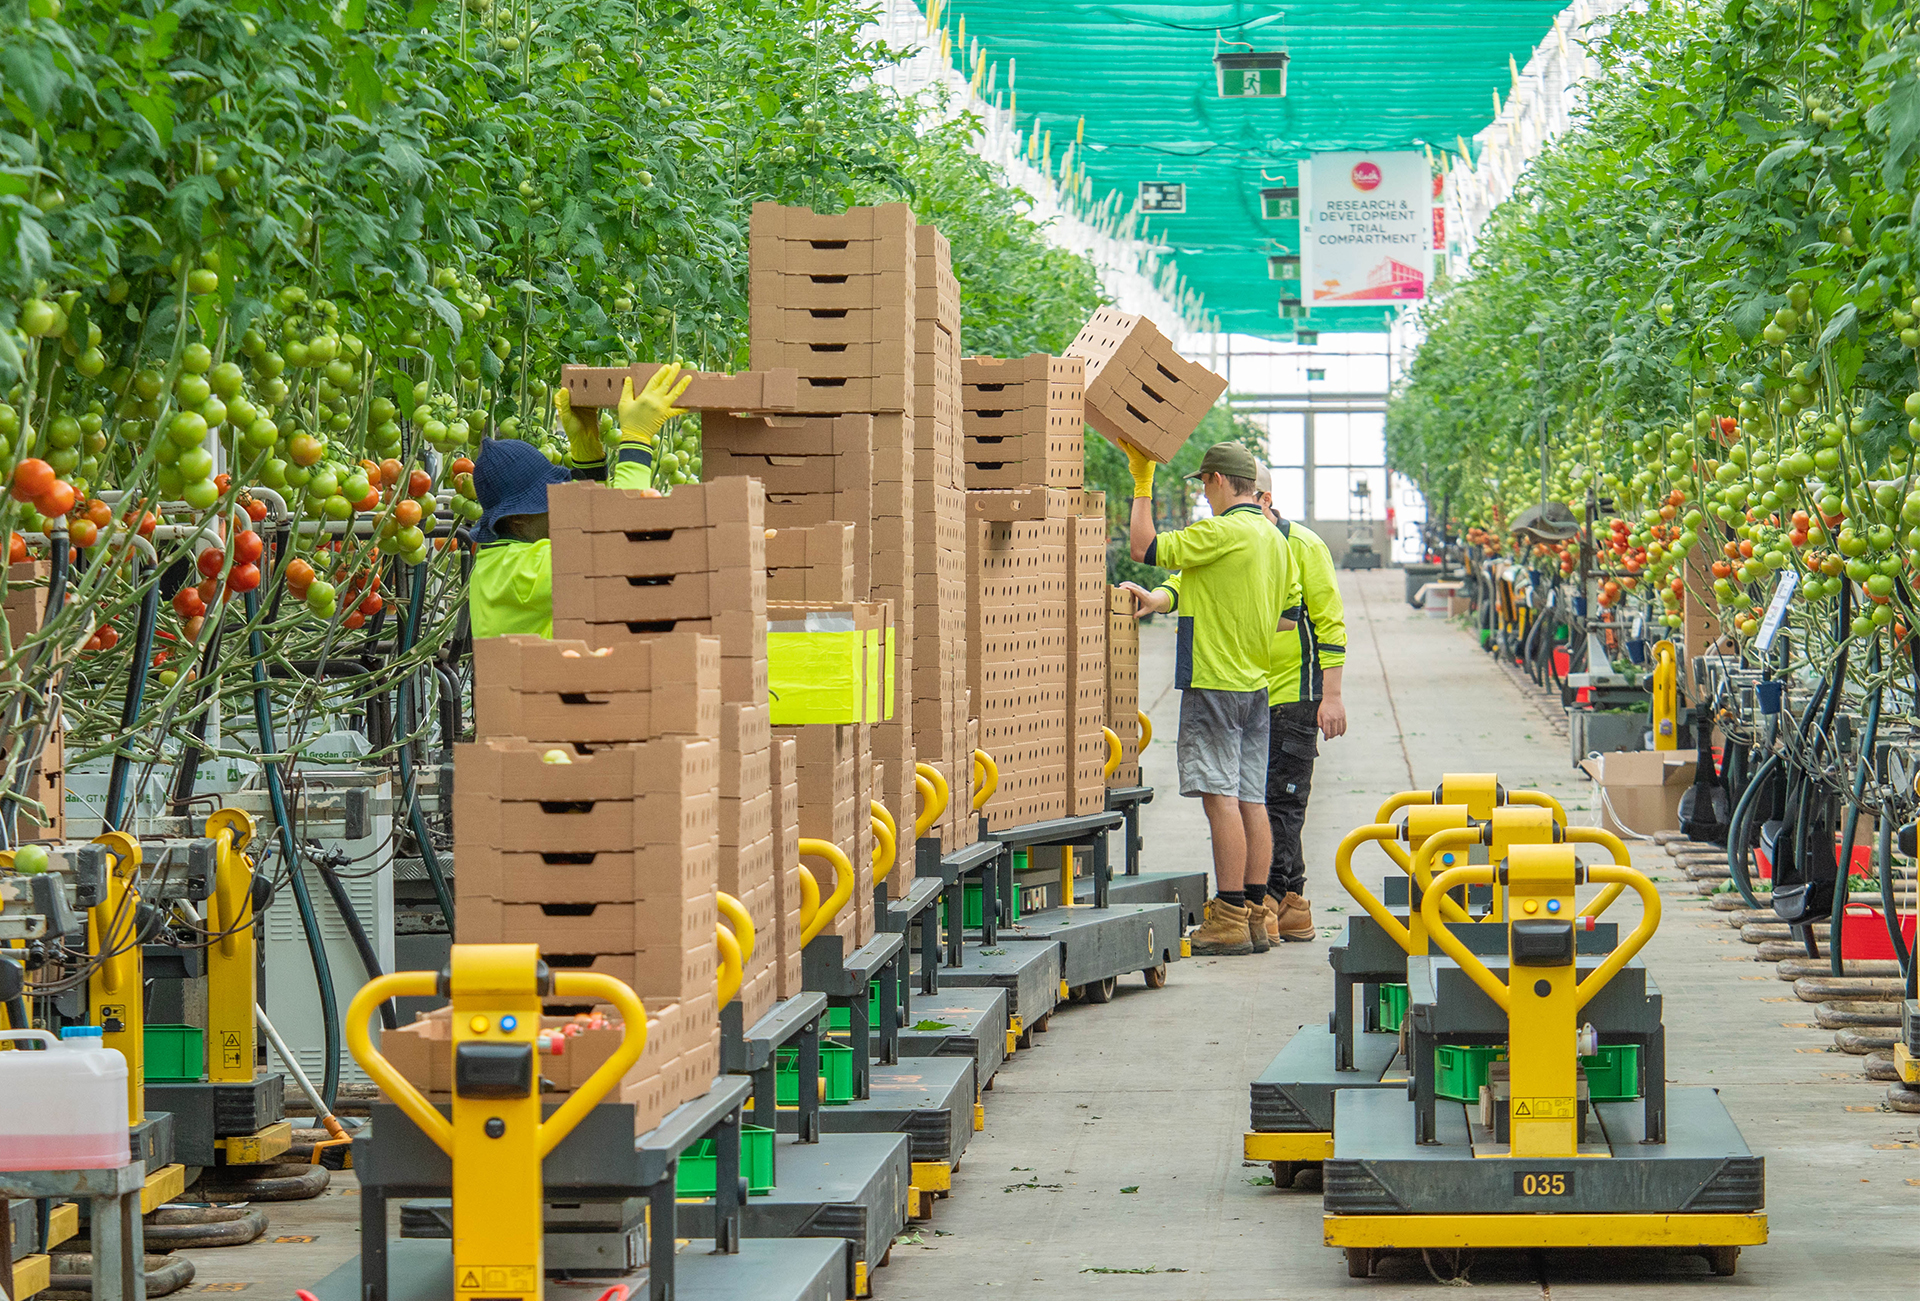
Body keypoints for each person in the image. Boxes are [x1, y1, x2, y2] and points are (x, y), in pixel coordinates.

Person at [1119, 440, 1293, 957]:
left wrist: (1143, 482)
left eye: (1203, 485)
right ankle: (1258, 914)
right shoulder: (1272, 538)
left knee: (1220, 802)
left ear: (1217, 480)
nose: (1203, 497)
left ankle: (1230, 915)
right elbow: (1209, 582)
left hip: (1214, 680)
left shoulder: (1221, 530)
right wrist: (1162, 598)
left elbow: (1143, 547)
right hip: (1255, 685)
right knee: (1250, 800)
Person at [469, 365, 691, 639]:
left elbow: (588, 531)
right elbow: (616, 542)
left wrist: (590, 463)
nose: (560, 505)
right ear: (518, 518)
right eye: (548, 499)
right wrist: (637, 442)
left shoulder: (502, 561)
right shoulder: (522, 572)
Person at [1250, 464, 1347, 943]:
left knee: (1281, 802)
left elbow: (1329, 622)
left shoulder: (1304, 545)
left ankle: (1270, 898)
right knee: (1271, 799)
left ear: (1266, 499)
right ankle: (1293, 903)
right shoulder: (1246, 541)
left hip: (1297, 693)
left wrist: (1332, 696)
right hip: (1252, 690)